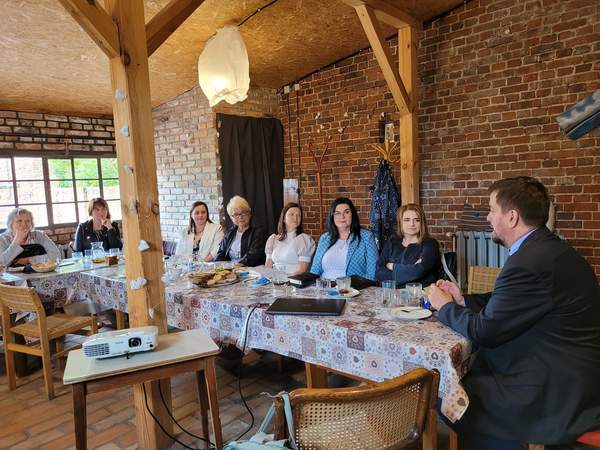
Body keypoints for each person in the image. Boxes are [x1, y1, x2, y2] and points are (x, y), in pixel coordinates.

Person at [427, 176, 600, 450]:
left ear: (511, 218)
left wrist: (445, 307)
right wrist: (462, 300)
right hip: (571, 367)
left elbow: (485, 332)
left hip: (557, 388)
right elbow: (507, 302)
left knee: (447, 391)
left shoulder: (529, 262)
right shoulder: (546, 249)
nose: (487, 217)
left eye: (491, 210)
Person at [310, 197, 378, 281]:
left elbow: (373, 273)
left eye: (346, 212)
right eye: (337, 213)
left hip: (352, 287)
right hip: (324, 286)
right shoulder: (325, 238)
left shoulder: (366, 237)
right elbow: (314, 271)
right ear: (332, 216)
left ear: (352, 215)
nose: (342, 216)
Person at [375, 203, 441, 287]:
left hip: (420, 293)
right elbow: (379, 272)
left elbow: (418, 271)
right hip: (392, 292)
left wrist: (392, 266)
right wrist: (410, 272)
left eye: (417, 220)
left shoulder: (430, 244)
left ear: (422, 223)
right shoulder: (392, 242)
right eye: (407, 220)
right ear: (400, 222)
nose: (412, 224)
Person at [215, 196, 266, 267]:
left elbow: (253, 255)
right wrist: (217, 266)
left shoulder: (258, 231)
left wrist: (237, 266)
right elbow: (221, 252)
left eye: (243, 213)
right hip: (231, 269)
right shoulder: (230, 232)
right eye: (236, 214)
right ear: (231, 218)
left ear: (249, 214)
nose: (240, 217)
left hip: (250, 269)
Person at [265, 202, 315, 275]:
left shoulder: (304, 240)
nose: (295, 218)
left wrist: (286, 280)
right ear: (283, 218)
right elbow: (268, 267)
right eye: (291, 214)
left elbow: (302, 271)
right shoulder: (273, 239)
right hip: (274, 278)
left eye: (298, 215)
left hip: (293, 279)